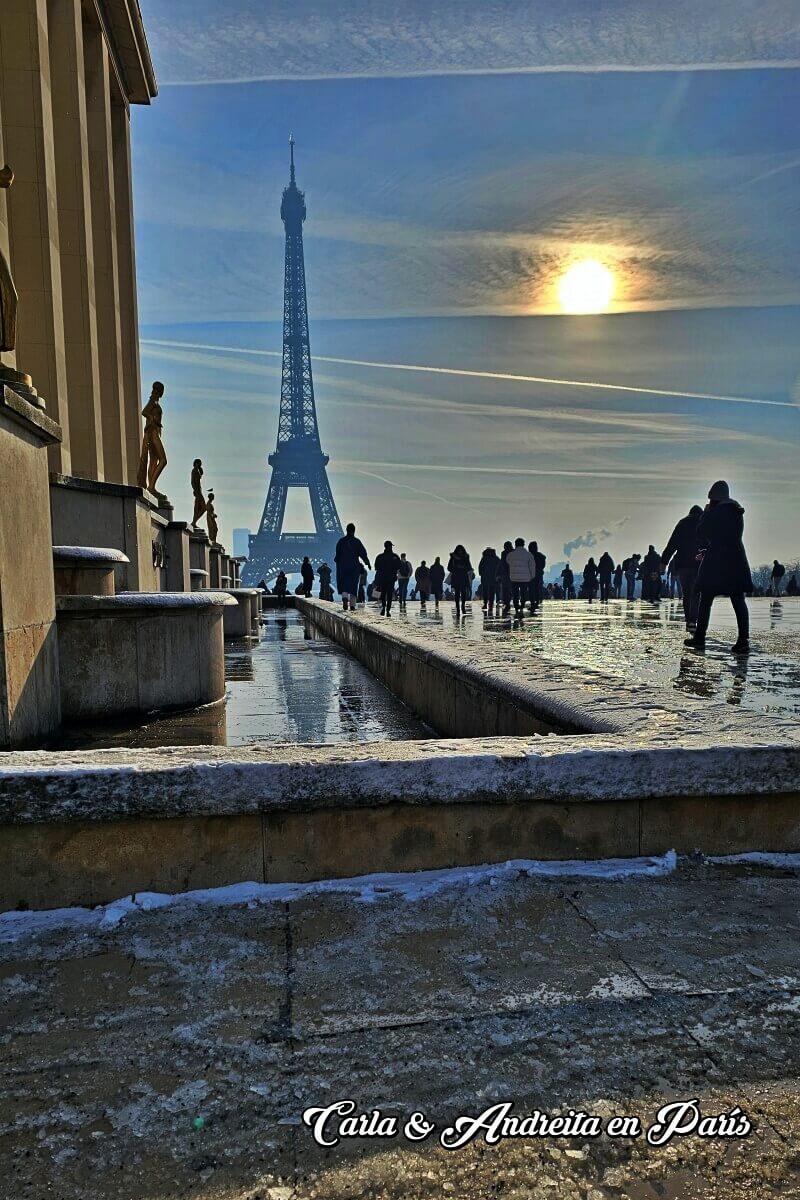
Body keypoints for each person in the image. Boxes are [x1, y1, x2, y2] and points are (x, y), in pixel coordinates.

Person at [684, 480, 752, 654]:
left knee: (706, 599)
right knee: (738, 600)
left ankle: (700, 638)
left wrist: (705, 514)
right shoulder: (737, 512)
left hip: (717, 562)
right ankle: (743, 640)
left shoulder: (715, 513)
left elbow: (702, 533)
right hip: (736, 559)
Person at [661, 505, 703, 630]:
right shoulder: (702, 523)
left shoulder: (682, 523)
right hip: (698, 563)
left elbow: (672, 544)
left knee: (686, 593)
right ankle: (693, 620)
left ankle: (688, 620)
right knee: (696, 592)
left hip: (683, 564)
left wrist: (664, 561)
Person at [137, 381, 168, 495]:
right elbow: (144, 412)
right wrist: (153, 419)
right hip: (153, 432)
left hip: (155, 432)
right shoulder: (153, 401)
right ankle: (151, 486)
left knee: (154, 460)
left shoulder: (154, 401)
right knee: (163, 460)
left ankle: (152, 486)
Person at [334, 522, 371, 611]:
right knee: (354, 586)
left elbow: (337, 556)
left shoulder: (341, 541)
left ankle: (345, 598)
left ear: (346, 530)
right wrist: (367, 563)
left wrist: (339, 563)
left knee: (343, 584)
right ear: (354, 531)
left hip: (343, 566)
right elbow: (363, 553)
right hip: (354, 566)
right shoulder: (357, 542)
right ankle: (352, 605)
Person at [507, 538, 537, 614]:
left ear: (515, 544)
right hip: (525, 578)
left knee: (515, 593)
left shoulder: (511, 555)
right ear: (523, 544)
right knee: (523, 593)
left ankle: (516, 607)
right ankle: (522, 605)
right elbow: (532, 566)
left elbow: (508, 561)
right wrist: (532, 576)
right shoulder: (528, 554)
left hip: (514, 578)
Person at [374, 540, 402, 616]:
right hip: (391, 578)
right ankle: (388, 610)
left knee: (383, 593)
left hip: (382, 577)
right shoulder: (395, 556)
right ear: (390, 546)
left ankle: (383, 607)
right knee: (389, 594)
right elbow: (399, 566)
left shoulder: (380, 556)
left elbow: (376, 567)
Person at [447, 544, 473, 617]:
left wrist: (464, 567)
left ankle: (463, 606)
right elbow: (449, 567)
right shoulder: (453, 558)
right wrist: (456, 568)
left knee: (463, 593)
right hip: (457, 577)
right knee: (457, 593)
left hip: (463, 577)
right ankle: (458, 608)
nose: (460, 552)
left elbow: (469, 567)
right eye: (459, 551)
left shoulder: (466, 557)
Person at [478, 547, 500, 612]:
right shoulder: (496, 558)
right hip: (493, 577)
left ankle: (485, 603)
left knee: (485, 591)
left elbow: (480, 567)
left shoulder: (484, 558)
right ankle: (491, 604)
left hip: (485, 577)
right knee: (492, 591)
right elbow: (499, 566)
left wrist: (481, 573)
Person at [498, 541, 513, 614]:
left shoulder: (503, 553)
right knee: (510, 589)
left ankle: (507, 603)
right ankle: (508, 602)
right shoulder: (513, 552)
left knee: (505, 589)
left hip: (505, 574)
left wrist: (498, 573)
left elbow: (501, 563)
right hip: (512, 573)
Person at [531, 542, 546, 610]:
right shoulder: (540, 556)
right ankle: (537, 600)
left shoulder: (530, 555)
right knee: (538, 588)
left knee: (532, 588)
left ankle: (533, 602)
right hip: (539, 574)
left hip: (531, 574)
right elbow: (543, 564)